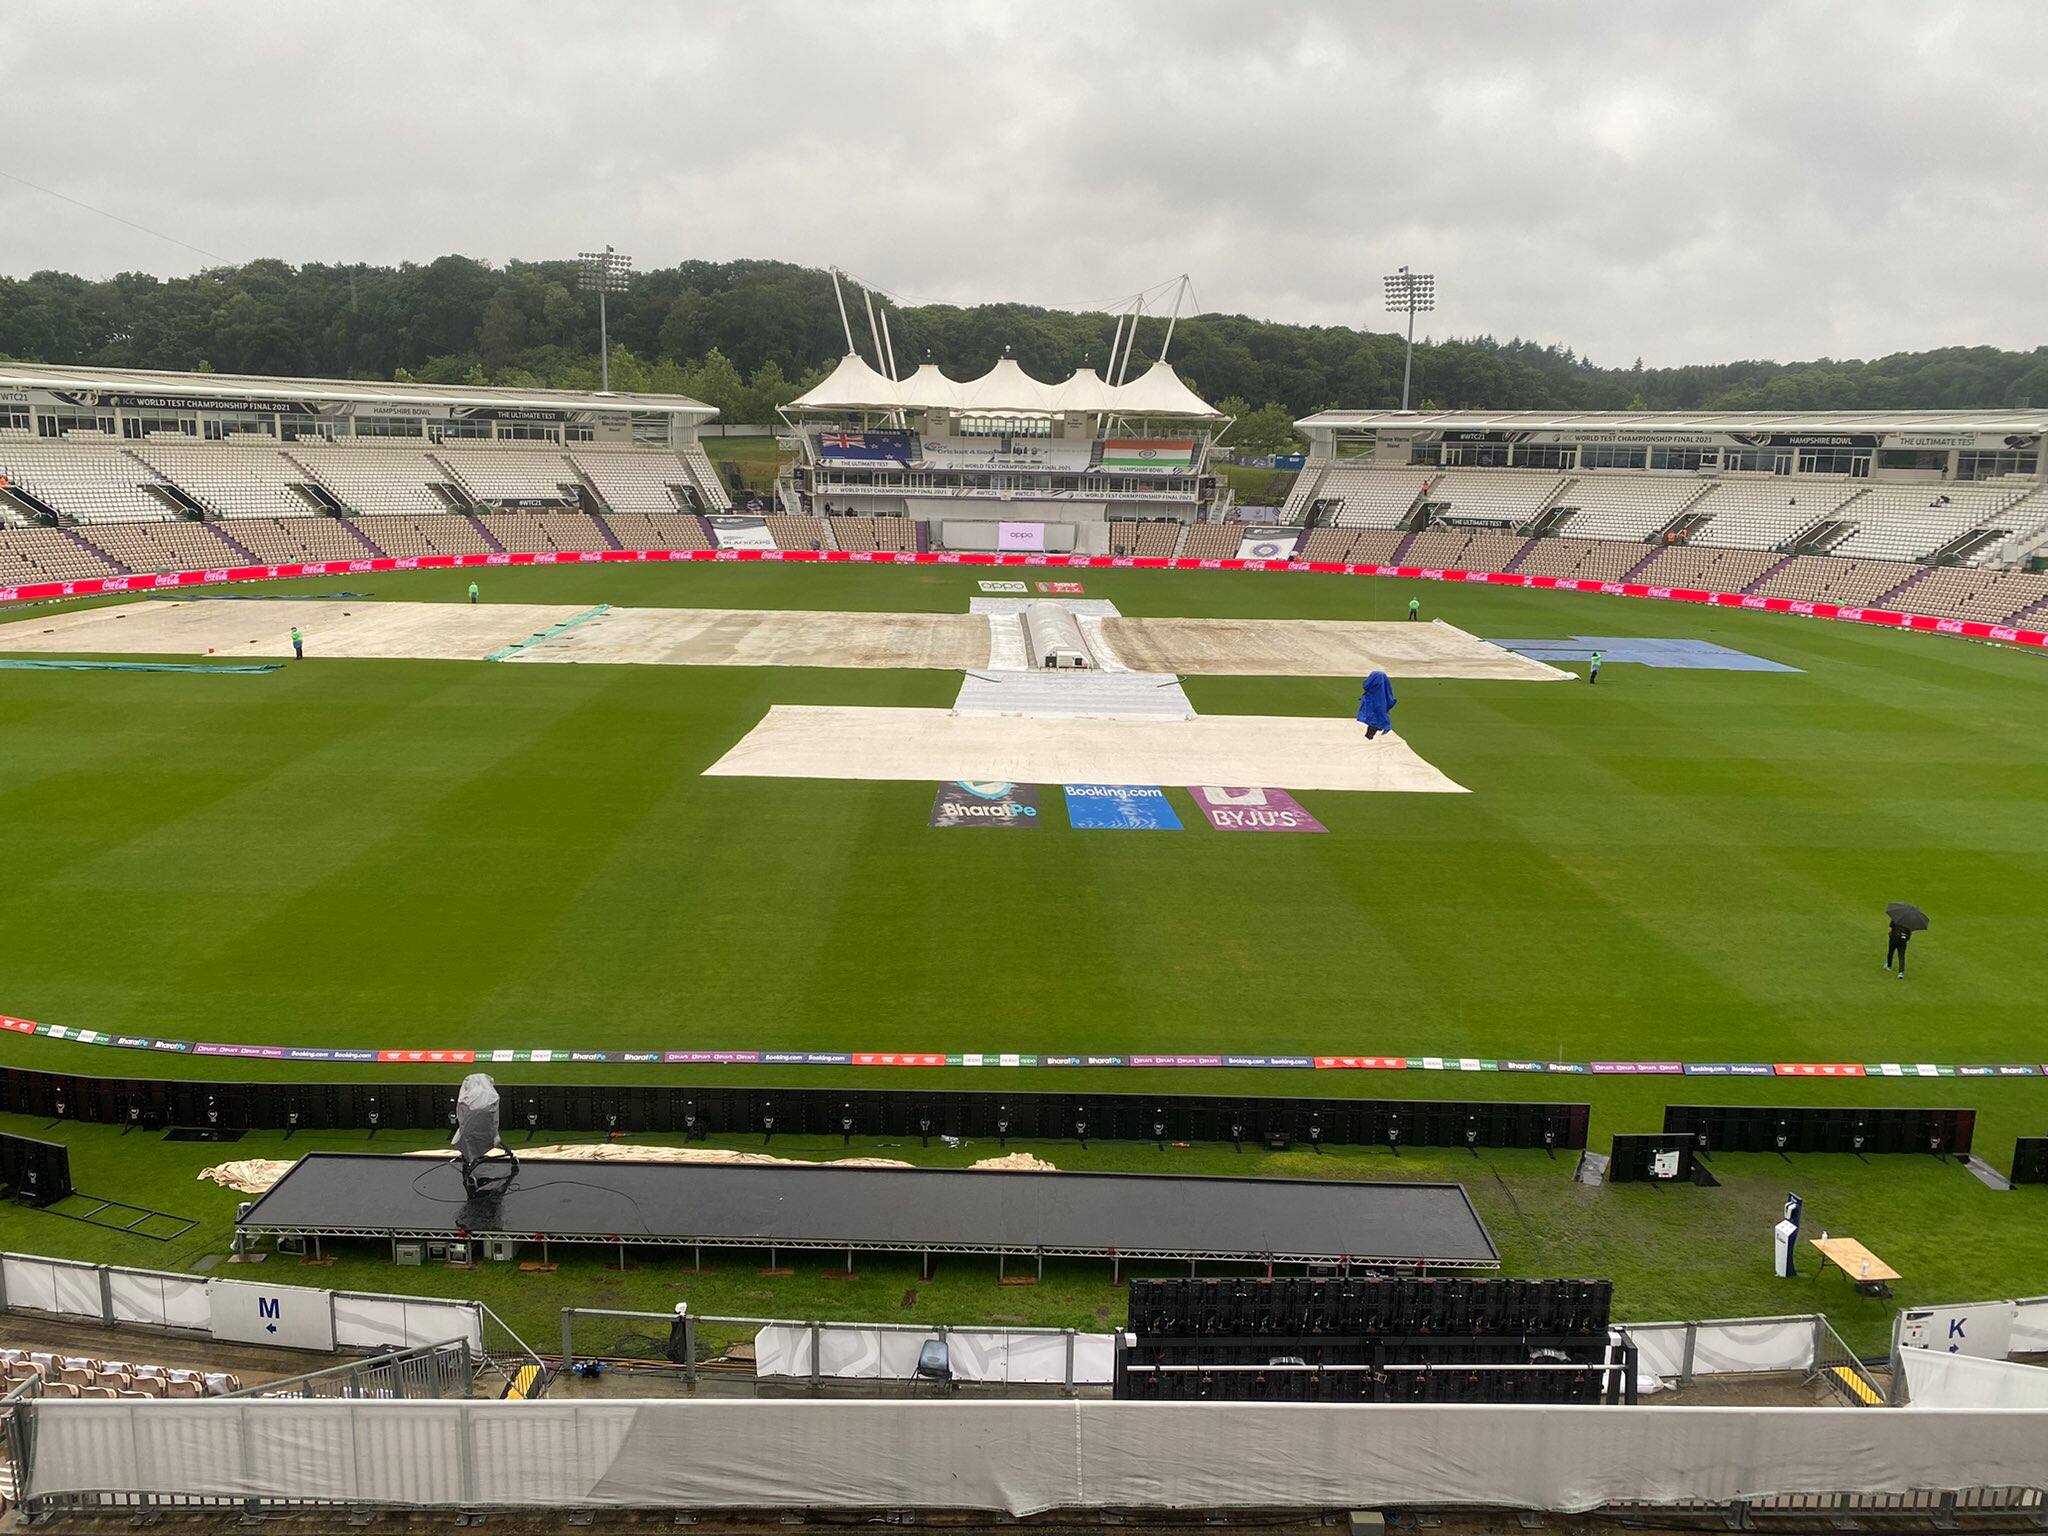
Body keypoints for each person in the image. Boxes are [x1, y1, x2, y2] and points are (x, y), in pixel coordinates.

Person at [1356, 670, 1397, 740]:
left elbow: (1366, 685)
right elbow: (1389, 697)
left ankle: (1370, 734)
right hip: (1379, 704)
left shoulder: (1373, 683)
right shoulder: (1384, 685)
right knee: (1377, 718)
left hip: (1374, 703)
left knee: (1375, 718)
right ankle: (1371, 733)